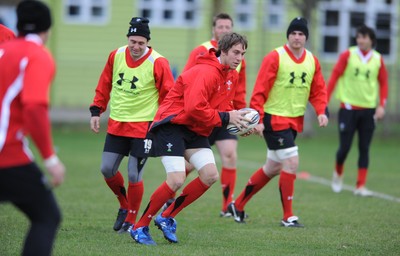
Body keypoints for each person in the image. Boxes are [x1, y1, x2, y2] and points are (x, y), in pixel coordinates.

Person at [130, 32, 249, 245]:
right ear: (223, 51)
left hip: (195, 128)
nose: (239, 58)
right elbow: (195, 108)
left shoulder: (232, 75)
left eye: (242, 53)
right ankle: (139, 227)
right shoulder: (206, 72)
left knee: (210, 175)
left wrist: (239, 122)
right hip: (172, 125)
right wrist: (226, 117)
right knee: (176, 179)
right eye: (236, 52)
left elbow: (224, 108)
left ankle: (166, 217)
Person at [228, 17, 329, 227]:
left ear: (306, 37)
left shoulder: (312, 60)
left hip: (294, 121)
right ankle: (288, 216)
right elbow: (260, 90)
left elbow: (318, 89)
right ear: (288, 35)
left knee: (273, 167)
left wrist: (321, 111)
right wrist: (259, 119)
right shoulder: (276, 56)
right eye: (293, 33)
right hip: (274, 119)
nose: (297, 37)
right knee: (291, 162)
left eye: (301, 33)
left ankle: (237, 205)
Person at [89, 17, 174, 233]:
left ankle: (131, 220)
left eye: (141, 43)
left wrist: (164, 123)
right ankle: (124, 205)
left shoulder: (158, 62)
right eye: (133, 41)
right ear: (127, 39)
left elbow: (169, 95)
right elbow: (104, 83)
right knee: (107, 168)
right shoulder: (115, 55)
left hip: (144, 127)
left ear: (147, 42)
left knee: (134, 174)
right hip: (117, 123)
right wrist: (96, 110)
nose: (136, 47)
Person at [0, 1, 66, 255]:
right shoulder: (37, 55)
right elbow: (34, 108)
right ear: (47, 28)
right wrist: (50, 159)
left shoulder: (4, 50)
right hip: (7, 153)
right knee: (46, 216)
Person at [183, 12, 247, 218]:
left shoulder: (239, 56)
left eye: (228, 27)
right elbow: (186, 81)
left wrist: (244, 116)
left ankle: (227, 205)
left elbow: (239, 90)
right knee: (191, 164)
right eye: (220, 27)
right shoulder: (201, 51)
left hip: (227, 115)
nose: (224, 30)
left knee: (230, 154)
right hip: (204, 117)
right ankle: (171, 195)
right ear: (213, 29)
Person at [327, 25, 388, 196]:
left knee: (364, 147)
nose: (360, 40)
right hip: (348, 108)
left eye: (364, 37)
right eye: (358, 37)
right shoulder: (348, 55)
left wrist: (382, 105)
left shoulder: (377, 59)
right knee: (344, 148)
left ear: (371, 40)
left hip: (368, 110)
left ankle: (360, 185)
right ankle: (338, 173)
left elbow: (383, 83)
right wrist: (325, 100)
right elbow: (334, 76)